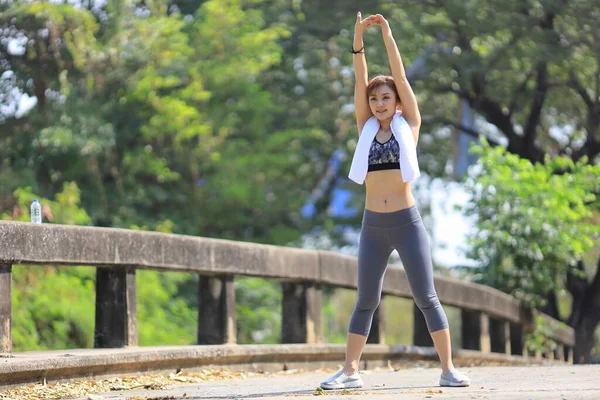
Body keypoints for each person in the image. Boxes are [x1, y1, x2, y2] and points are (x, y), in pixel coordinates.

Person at [319, 12, 470, 390]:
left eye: (386, 98)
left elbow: (400, 77)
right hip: (373, 226)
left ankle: (448, 370)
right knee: (365, 300)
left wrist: (387, 34)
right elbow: (359, 77)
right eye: (374, 99)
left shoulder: (410, 127)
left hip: (406, 222)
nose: (379, 103)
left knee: (427, 297)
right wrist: (357, 38)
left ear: (398, 103)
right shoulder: (365, 129)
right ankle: (351, 371)